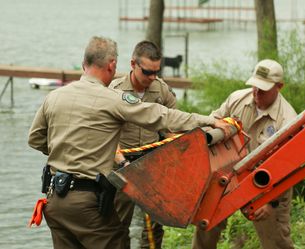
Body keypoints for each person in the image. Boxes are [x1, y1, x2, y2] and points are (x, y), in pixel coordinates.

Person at [28, 36, 233, 249]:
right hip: (88, 200)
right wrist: (211, 121)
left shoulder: (54, 96)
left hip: (54, 200)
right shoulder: (113, 97)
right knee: (118, 241)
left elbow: (35, 139)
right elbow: (164, 116)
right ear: (112, 65)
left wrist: (67, 153)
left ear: (84, 64)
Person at [192, 59, 297, 249]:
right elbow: (213, 122)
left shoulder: (288, 120)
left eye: (263, 89)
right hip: (229, 175)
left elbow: (287, 168)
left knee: (276, 240)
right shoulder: (237, 99)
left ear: (279, 87)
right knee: (206, 224)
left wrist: (270, 202)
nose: (256, 93)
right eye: (255, 86)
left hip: (267, 184)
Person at [109, 40, 176, 249]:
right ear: (133, 64)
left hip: (153, 163)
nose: (152, 77)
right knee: (118, 224)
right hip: (121, 164)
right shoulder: (114, 91)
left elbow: (171, 127)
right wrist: (121, 163)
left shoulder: (161, 90)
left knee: (155, 226)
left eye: (156, 72)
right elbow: (105, 136)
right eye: (147, 72)